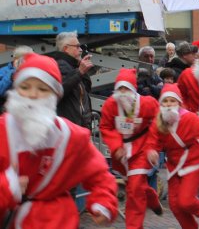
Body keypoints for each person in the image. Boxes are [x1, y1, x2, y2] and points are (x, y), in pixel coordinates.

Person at [0, 53, 118, 228]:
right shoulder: (4, 130)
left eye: (42, 89)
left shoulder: (71, 136)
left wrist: (103, 201)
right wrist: (8, 186)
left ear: (54, 95)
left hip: (58, 219)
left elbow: (99, 173)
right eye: (25, 87)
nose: (33, 94)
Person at [144, 84, 199, 229]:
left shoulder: (189, 118)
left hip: (193, 161)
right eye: (166, 101)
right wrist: (151, 151)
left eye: (172, 101)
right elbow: (152, 140)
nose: (169, 104)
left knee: (186, 201)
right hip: (174, 165)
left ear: (179, 103)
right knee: (175, 206)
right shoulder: (159, 121)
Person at [99, 69, 163, 229]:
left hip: (141, 147)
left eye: (126, 88)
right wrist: (115, 146)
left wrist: (152, 147)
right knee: (135, 186)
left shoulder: (147, 103)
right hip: (121, 151)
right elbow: (105, 126)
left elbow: (157, 123)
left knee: (134, 190)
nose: (122, 92)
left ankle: (133, 225)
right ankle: (150, 195)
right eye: (119, 88)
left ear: (133, 89)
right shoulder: (110, 104)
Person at [46, 31, 93, 129]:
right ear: (66, 49)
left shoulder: (72, 66)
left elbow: (87, 89)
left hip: (77, 127)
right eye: (77, 46)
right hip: (71, 127)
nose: (80, 50)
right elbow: (60, 90)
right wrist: (79, 72)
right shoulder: (60, 65)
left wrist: (81, 68)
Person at [0, 45, 33, 112]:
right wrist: (11, 76)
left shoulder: (33, 70)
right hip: (7, 108)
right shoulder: (3, 71)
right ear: (15, 59)